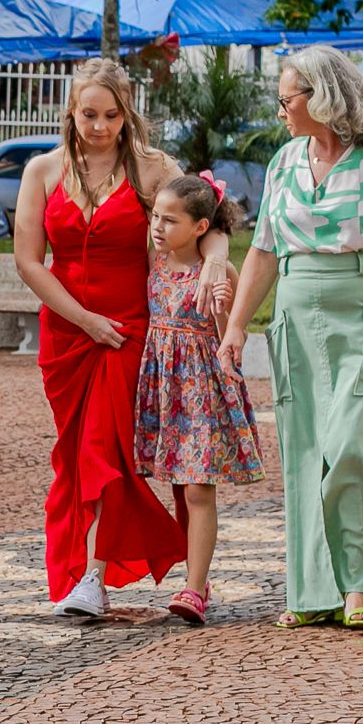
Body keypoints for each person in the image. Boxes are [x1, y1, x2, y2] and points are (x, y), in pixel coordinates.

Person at [219, 45, 363, 630]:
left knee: (355, 447)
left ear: (323, 96)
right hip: (298, 315)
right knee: (306, 453)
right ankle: (315, 589)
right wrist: (238, 327)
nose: (280, 110)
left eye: (286, 98)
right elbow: (264, 251)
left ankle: (361, 587)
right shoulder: (285, 161)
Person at [11, 58, 230, 619]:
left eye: (111, 115)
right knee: (74, 455)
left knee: (104, 450)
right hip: (67, 331)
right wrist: (83, 319)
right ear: (71, 111)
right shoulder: (41, 170)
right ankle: (83, 569)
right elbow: (29, 262)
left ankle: (95, 577)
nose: (101, 126)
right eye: (89, 114)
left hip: (130, 330)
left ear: (127, 112)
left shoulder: (154, 169)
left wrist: (215, 261)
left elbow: (210, 220)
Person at [135, 173, 264, 625]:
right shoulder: (154, 261)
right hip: (163, 388)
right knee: (176, 484)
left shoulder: (218, 270)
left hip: (200, 390)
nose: (158, 226)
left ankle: (195, 588)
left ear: (201, 227)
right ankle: (194, 573)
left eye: (170, 220)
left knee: (196, 487)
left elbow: (230, 332)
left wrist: (227, 307)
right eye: (156, 216)